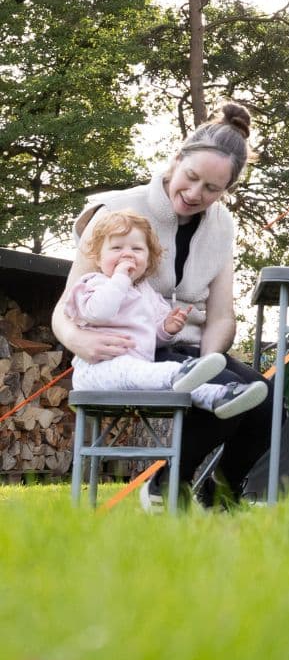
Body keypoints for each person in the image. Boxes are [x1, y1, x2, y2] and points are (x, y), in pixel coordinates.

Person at [53, 102, 273, 509]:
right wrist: (78, 342)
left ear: (226, 190)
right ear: (177, 159)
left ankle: (220, 496)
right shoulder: (120, 209)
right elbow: (67, 305)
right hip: (130, 348)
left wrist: (210, 360)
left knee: (267, 399)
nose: (194, 194)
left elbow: (222, 315)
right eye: (191, 178)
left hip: (182, 345)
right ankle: (167, 486)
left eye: (212, 189)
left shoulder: (223, 227)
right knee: (226, 383)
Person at [65, 209, 268, 420]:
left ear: (148, 259)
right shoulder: (95, 283)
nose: (127, 254)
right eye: (116, 248)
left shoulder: (147, 294)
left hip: (139, 374)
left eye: (137, 249)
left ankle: (219, 396)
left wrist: (166, 328)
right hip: (98, 371)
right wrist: (120, 279)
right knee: (163, 373)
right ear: (98, 258)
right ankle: (183, 371)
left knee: (180, 386)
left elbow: (148, 338)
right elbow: (99, 313)